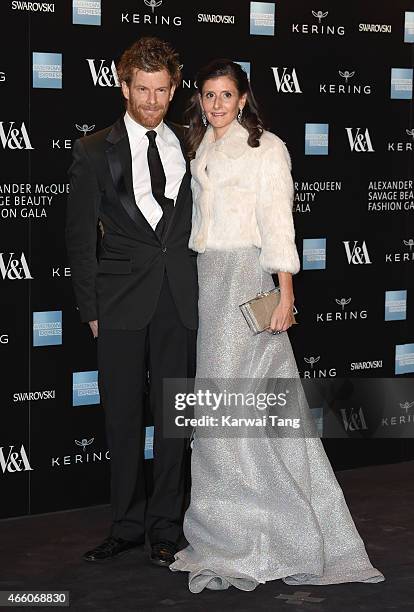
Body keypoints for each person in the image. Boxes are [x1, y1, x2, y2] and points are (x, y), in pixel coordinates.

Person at [169, 59, 385, 592]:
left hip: (247, 281)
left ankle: (271, 532)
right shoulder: (201, 149)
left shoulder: (269, 149)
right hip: (208, 280)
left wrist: (285, 294)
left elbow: (278, 225)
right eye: (208, 96)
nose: (216, 105)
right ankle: (228, 528)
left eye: (226, 96)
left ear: (244, 99)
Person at [65, 37, 198, 567]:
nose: (151, 101)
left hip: (180, 300)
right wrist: (89, 308)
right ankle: (125, 525)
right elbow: (79, 239)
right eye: (141, 89)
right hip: (118, 303)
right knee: (122, 419)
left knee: (173, 421)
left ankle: (166, 527)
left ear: (174, 87)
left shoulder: (194, 143)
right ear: (124, 86)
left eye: (161, 89)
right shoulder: (93, 149)